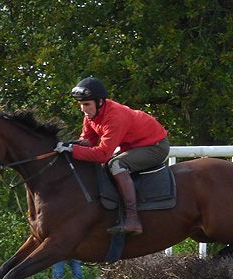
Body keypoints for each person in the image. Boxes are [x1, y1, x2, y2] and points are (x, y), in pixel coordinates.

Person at [54, 77, 170, 235]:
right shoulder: (91, 117)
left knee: (116, 164)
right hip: (134, 146)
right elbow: (86, 143)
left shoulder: (115, 117)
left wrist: (72, 149)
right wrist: (70, 148)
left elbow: (102, 154)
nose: (83, 109)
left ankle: (132, 219)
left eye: (86, 104)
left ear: (100, 102)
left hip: (155, 147)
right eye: (81, 105)